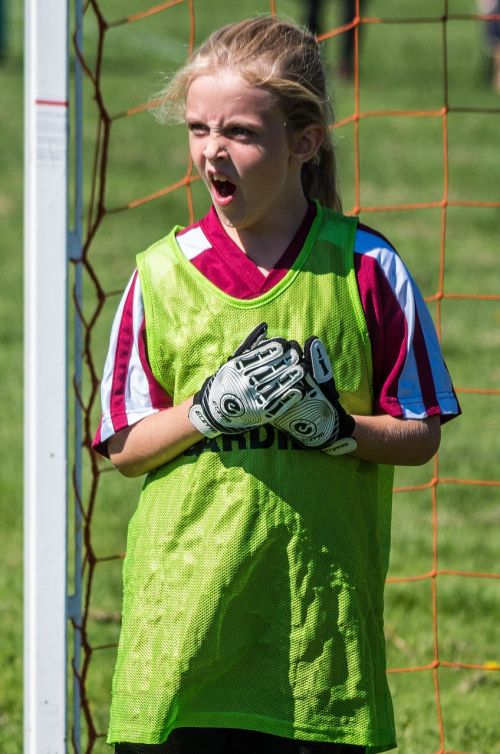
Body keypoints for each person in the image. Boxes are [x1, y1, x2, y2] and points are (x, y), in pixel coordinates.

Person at [93, 16, 460, 754]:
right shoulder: (159, 277)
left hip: (314, 642)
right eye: (198, 129)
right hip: (184, 635)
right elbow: (124, 446)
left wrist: (338, 429)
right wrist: (206, 411)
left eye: (240, 132)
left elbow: (419, 432)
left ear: (304, 141)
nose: (212, 151)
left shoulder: (366, 269)